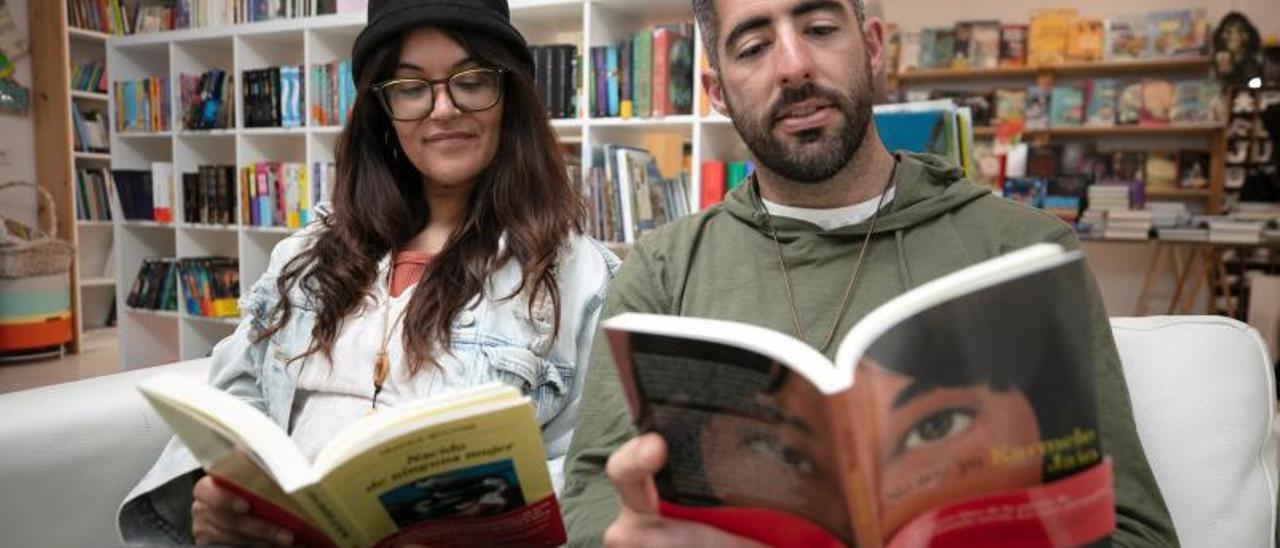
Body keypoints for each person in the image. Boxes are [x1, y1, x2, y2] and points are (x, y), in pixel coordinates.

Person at [560, 0, 1178, 545]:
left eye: (821, 27)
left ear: (874, 46)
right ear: (718, 92)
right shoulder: (663, 271)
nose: (794, 66)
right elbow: (588, 502)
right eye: (754, 46)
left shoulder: (1025, 253)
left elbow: (1134, 531)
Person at [116, 0, 618, 545]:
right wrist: (214, 494)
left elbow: (592, 477)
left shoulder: (577, 277)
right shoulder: (304, 256)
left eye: (470, 80)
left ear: (510, 95)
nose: (443, 108)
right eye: (409, 87)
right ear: (382, 107)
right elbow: (237, 402)